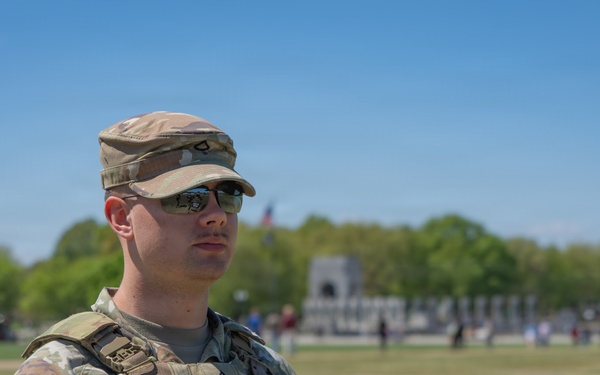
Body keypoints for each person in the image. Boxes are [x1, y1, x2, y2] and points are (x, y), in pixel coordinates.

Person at [15, 111, 297, 375]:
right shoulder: (62, 366)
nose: (217, 216)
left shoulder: (265, 365)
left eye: (228, 194)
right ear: (122, 217)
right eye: (188, 196)